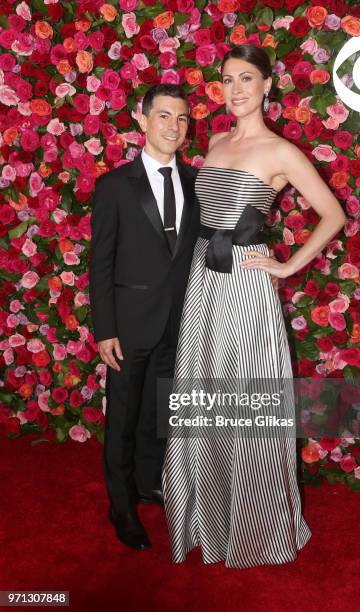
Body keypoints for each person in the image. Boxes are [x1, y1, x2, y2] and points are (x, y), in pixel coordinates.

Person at [162, 44, 346, 568]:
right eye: (227, 79)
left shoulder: (282, 152)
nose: (236, 88)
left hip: (245, 287)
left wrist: (287, 266)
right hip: (204, 281)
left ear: (268, 85)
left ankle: (253, 527)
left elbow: (331, 215)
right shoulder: (216, 142)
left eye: (246, 78)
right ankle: (204, 519)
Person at [89, 84, 200, 551]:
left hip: (179, 323)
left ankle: (149, 482)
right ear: (142, 119)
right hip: (130, 325)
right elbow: (102, 262)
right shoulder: (114, 185)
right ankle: (121, 505)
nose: (173, 126)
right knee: (123, 419)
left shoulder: (197, 181)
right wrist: (105, 330)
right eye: (163, 116)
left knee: (160, 412)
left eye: (181, 118)